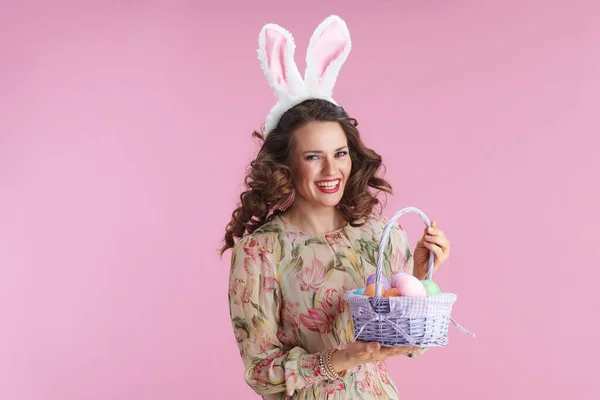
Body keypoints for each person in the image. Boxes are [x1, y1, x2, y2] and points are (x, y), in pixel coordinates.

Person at [221, 16, 451, 400]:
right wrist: (340, 359)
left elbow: (411, 345)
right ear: (285, 165)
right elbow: (260, 372)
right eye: (313, 156)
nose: (331, 170)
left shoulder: (381, 235)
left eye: (340, 153)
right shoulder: (259, 254)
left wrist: (420, 274)